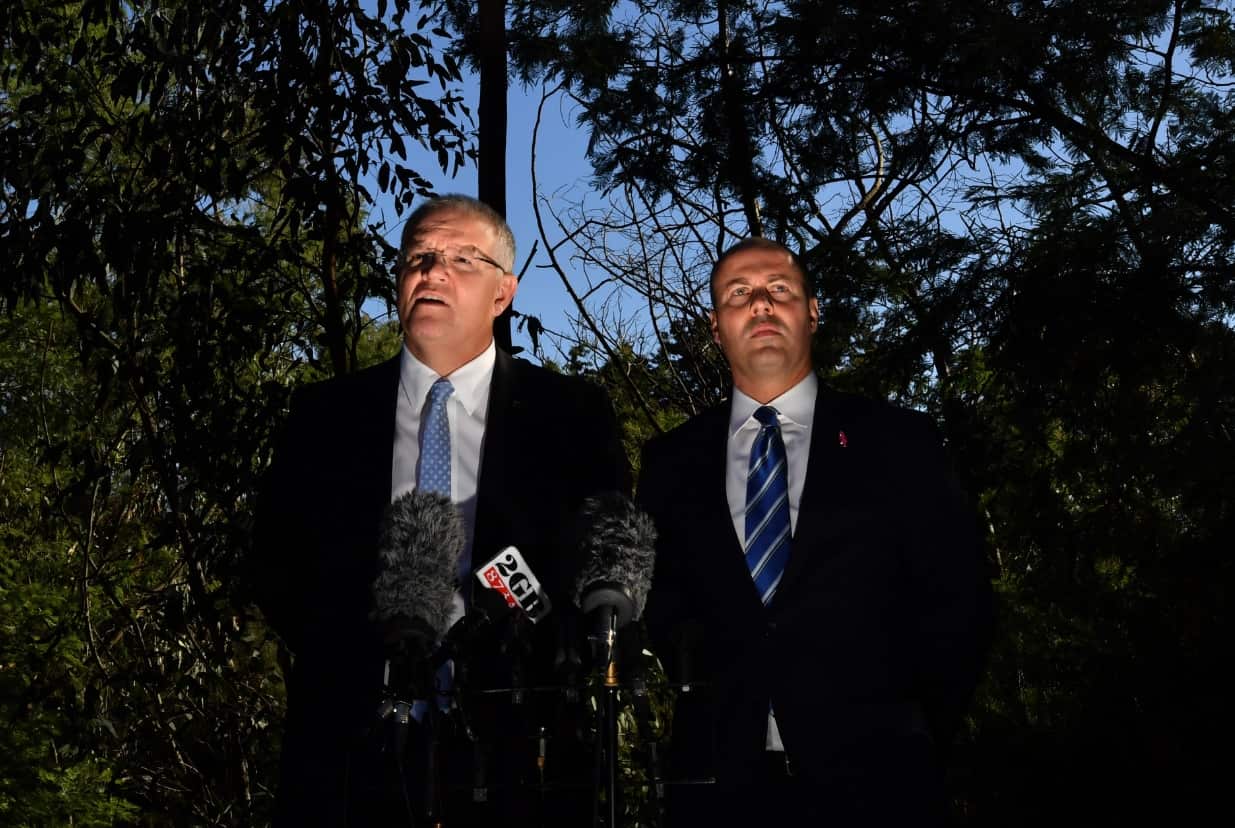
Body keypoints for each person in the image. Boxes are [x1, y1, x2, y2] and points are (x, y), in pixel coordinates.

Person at [251, 195, 629, 825]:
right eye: (418, 258)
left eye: (460, 259)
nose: (431, 272)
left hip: (521, 755)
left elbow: (601, 560)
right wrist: (368, 653)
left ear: (503, 294)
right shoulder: (323, 417)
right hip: (350, 756)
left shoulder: (572, 417)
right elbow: (276, 566)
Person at [638, 237, 994, 825]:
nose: (760, 305)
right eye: (738, 294)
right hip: (718, 789)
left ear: (812, 311)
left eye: (780, 290)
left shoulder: (899, 443)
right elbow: (663, 613)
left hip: (881, 785)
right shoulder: (669, 463)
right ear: (715, 326)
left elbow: (960, 606)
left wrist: (914, 736)